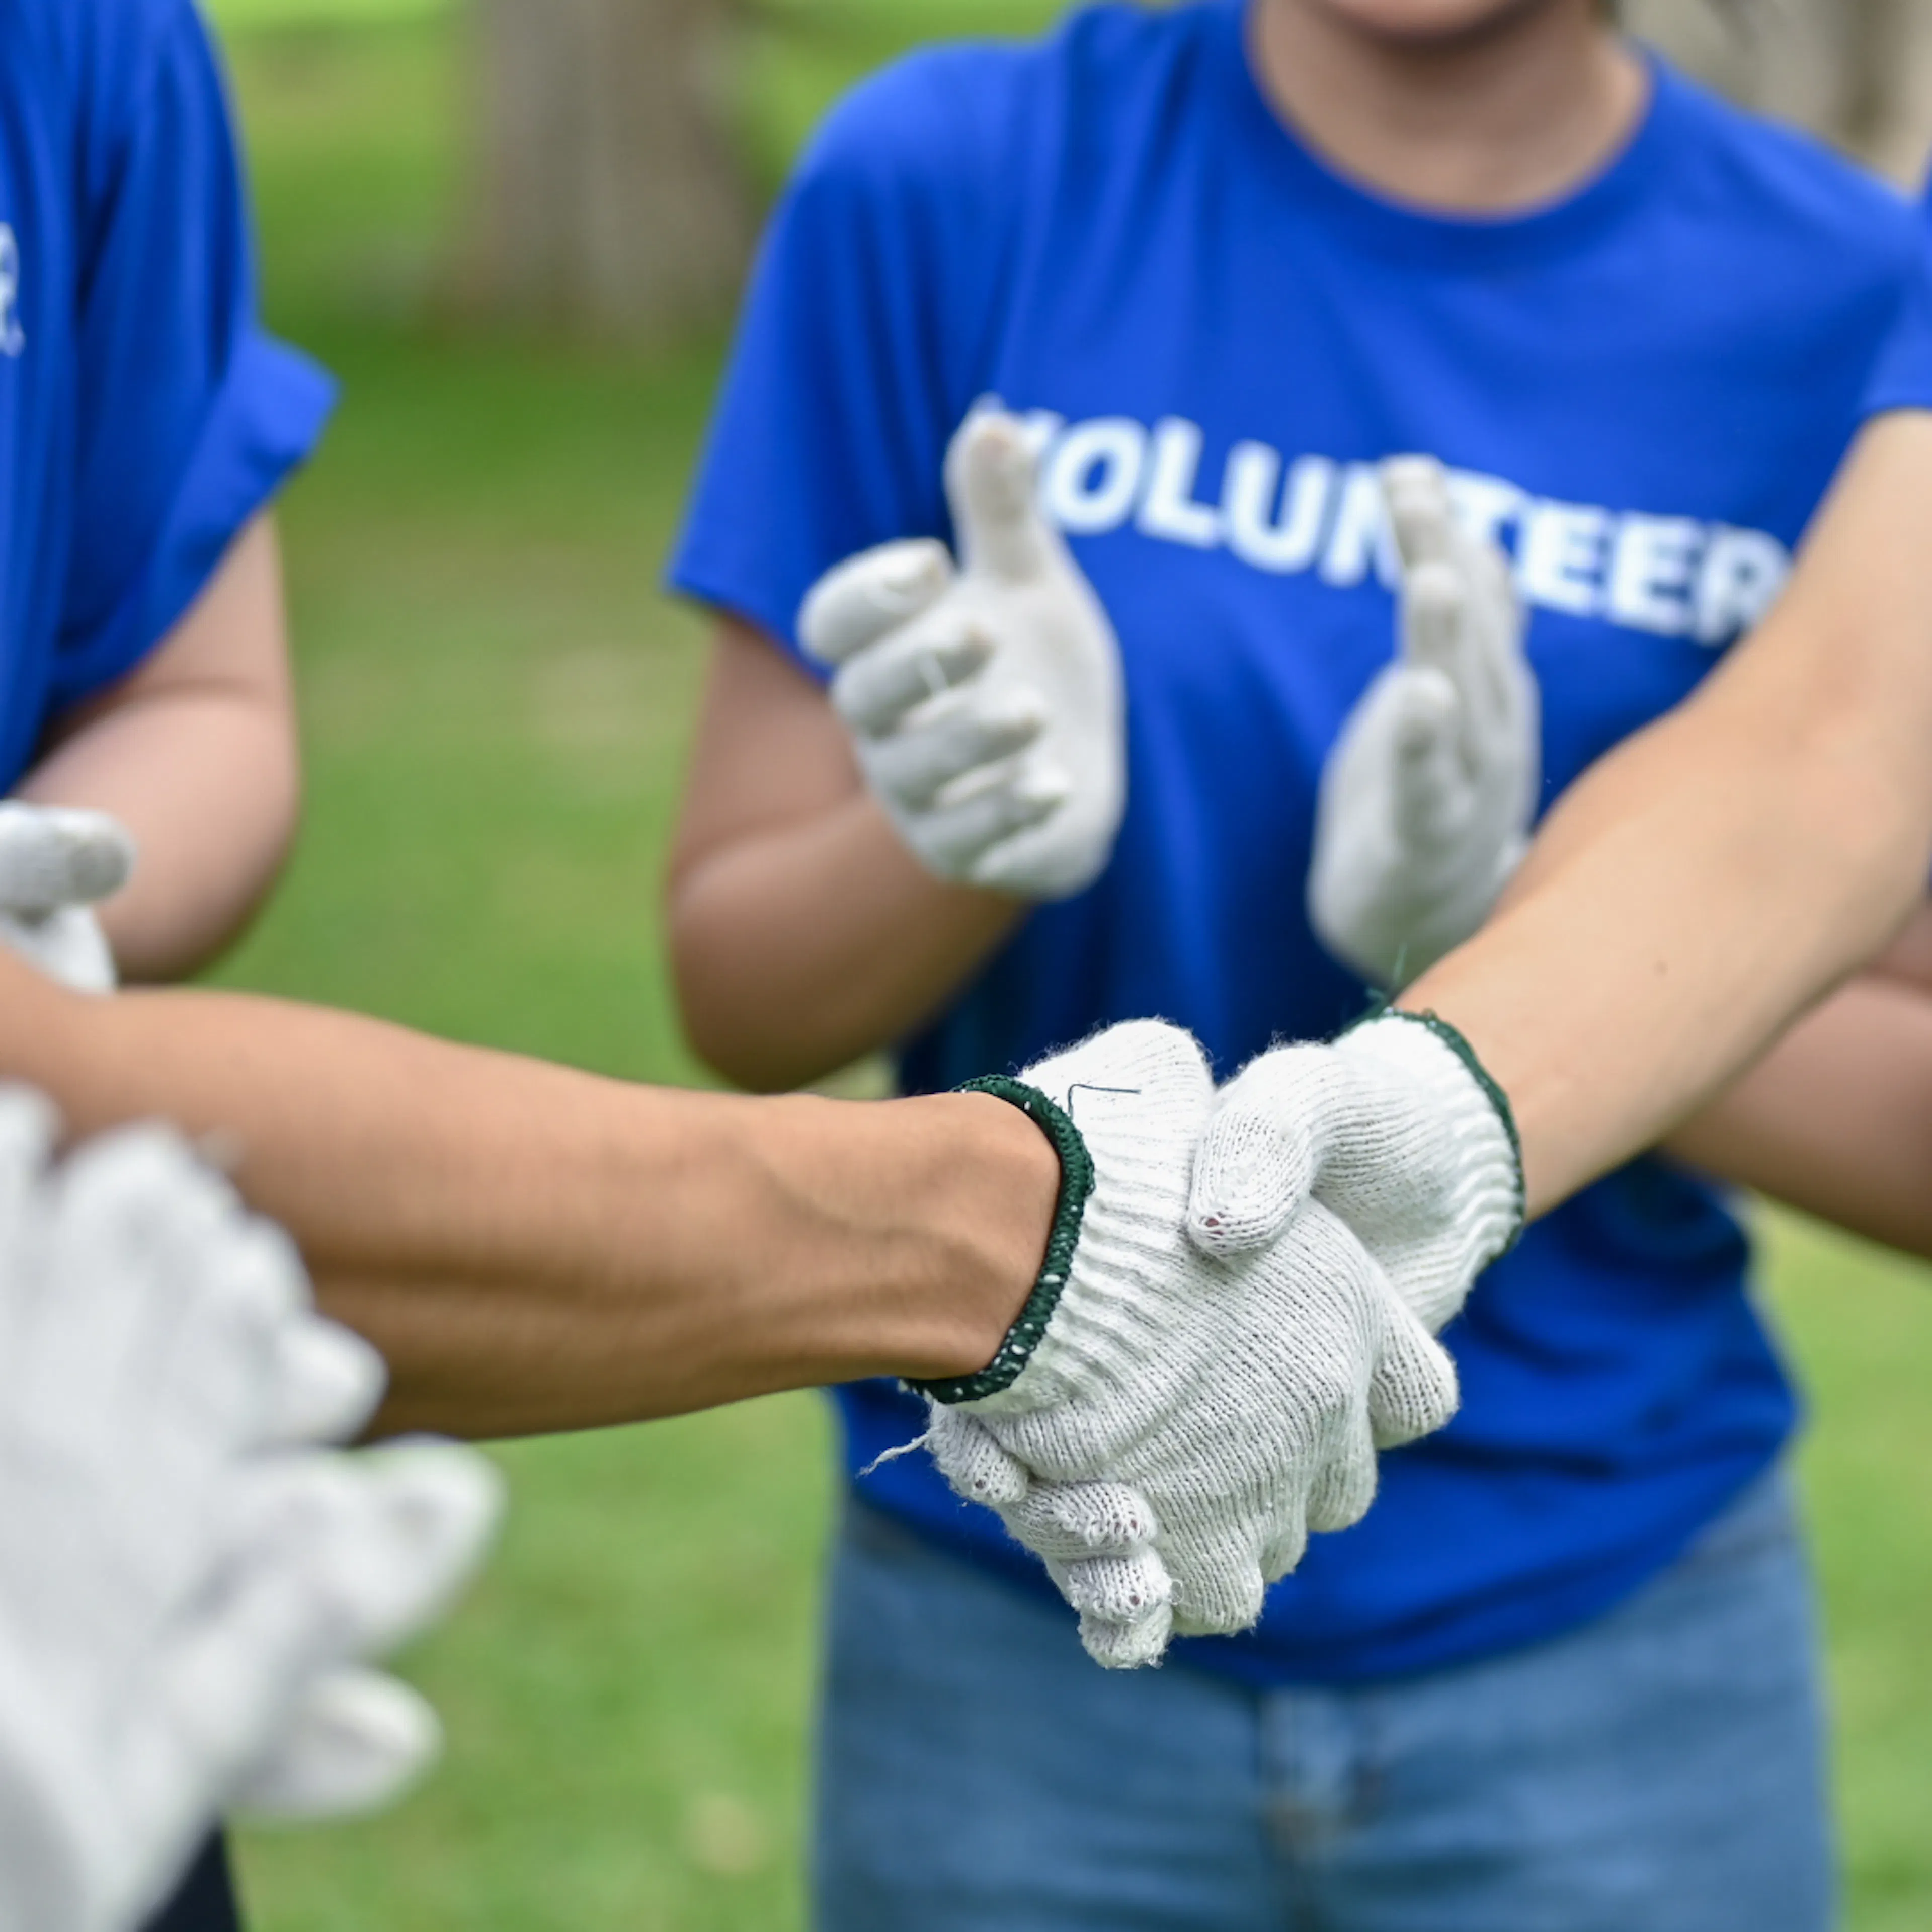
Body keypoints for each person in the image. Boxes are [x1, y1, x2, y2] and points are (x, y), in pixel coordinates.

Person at [664, 0, 1932, 1921]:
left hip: (1608, 1623)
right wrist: (957, 847)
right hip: (1026, 1594)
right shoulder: (955, 179)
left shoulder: (1848, 302)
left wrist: (1509, 924)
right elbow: (738, 993)